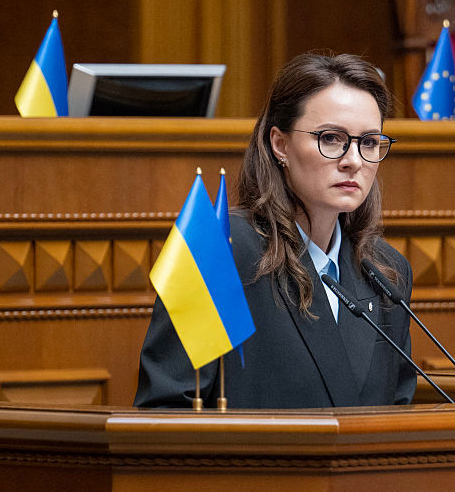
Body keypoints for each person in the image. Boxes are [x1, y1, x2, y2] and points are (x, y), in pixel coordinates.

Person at [134, 53, 416, 409]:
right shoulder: (218, 250)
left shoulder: (387, 271)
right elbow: (166, 409)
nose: (354, 161)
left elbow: (398, 413)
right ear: (280, 144)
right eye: (331, 138)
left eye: (370, 142)